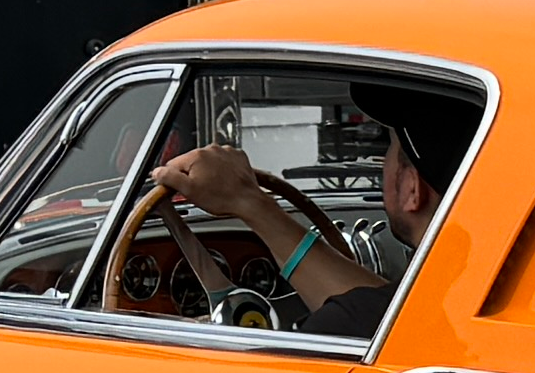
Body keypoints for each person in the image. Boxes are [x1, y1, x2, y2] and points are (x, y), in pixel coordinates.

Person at [135, 80, 477, 336]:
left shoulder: (347, 324)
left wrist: (248, 200)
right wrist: (250, 205)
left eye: (388, 149)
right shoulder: (462, 299)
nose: (381, 164)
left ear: (412, 190)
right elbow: (379, 310)